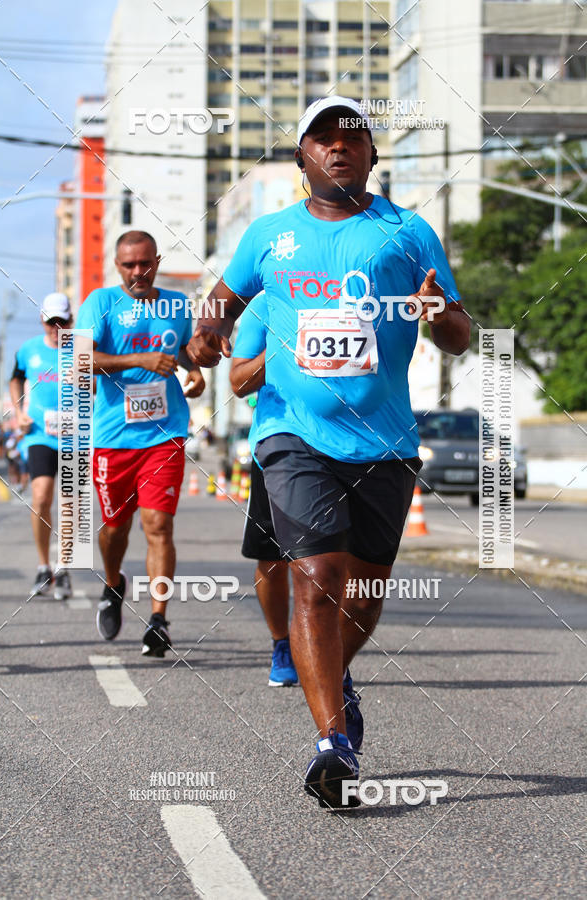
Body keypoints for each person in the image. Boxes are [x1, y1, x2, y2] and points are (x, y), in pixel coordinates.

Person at [188, 96, 470, 808]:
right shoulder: (269, 235)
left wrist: (441, 316)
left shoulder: (407, 234)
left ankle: (333, 679)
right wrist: (204, 338)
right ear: (301, 159)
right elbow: (221, 302)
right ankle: (332, 743)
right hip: (292, 434)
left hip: (385, 439)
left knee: (364, 593)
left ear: (373, 156)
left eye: (353, 138)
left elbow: (460, 334)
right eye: (323, 138)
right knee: (314, 576)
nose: (338, 148)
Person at [76, 230, 205, 657]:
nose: (138, 272)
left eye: (145, 263)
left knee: (158, 525)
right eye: (129, 265)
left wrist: (194, 370)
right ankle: (114, 582)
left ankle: (158, 621)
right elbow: (80, 358)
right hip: (114, 437)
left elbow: (182, 347)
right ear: (117, 266)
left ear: (157, 260)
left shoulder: (176, 304)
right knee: (115, 529)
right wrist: (138, 360)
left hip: (164, 434)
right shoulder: (100, 303)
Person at [229, 294, 298, 687]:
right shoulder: (265, 307)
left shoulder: (360, 294)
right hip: (279, 441)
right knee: (273, 559)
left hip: (350, 443)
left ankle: (330, 647)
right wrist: (285, 346)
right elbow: (239, 382)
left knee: (331, 560)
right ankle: (282, 643)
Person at [9, 292, 74, 599]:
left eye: (62, 321)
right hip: (39, 434)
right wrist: (18, 411)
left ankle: (63, 569)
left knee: (70, 503)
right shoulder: (29, 350)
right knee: (41, 497)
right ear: (42, 320)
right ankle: (43, 566)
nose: (56, 328)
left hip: (75, 435)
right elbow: (15, 379)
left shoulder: (82, 350)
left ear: (70, 321)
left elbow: (99, 388)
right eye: (51, 322)